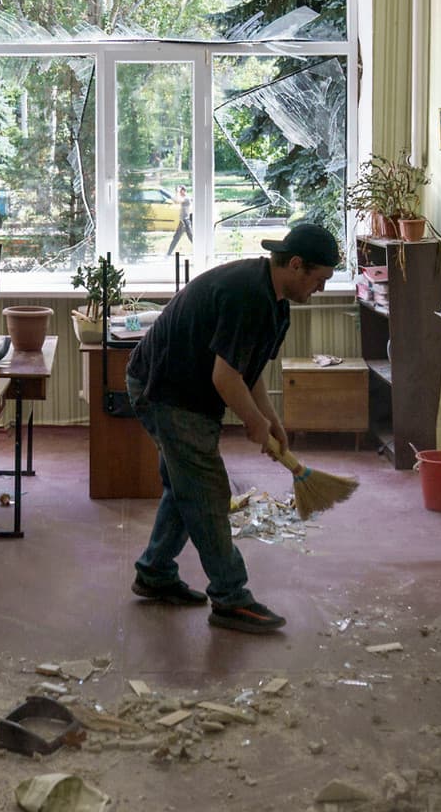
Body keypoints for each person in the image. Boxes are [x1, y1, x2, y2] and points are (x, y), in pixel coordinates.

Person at [124, 221, 340, 633]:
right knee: (205, 491)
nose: (322, 289)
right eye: (320, 278)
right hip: (165, 389)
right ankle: (230, 597)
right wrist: (253, 422)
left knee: (185, 486)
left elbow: (245, 369)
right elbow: (225, 378)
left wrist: (270, 419)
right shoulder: (248, 297)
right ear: (296, 265)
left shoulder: (274, 301)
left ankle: (155, 573)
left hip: (185, 389)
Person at [165, 185, 193, 255]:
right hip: (182, 222)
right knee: (176, 239)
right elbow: (174, 199)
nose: (179, 193)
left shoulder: (187, 198)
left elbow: (177, 200)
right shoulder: (183, 198)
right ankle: (168, 254)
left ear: (183, 191)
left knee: (192, 238)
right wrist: (176, 192)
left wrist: (177, 191)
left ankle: (199, 251)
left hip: (186, 221)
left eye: (180, 191)